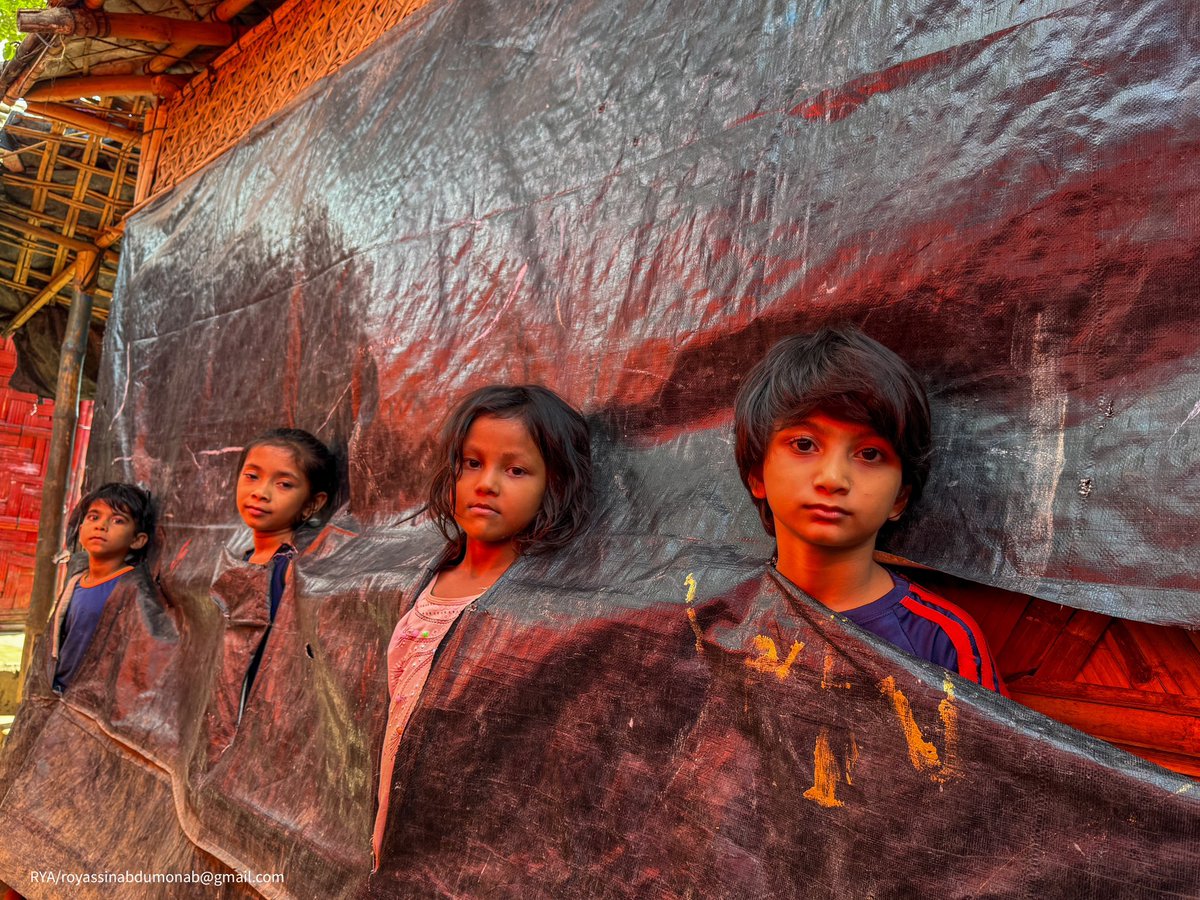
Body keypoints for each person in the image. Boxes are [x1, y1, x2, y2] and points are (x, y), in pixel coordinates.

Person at [372, 384, 593, 868]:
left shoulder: (544, 612)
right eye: (472, 463)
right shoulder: (425, 583)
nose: (486, 483)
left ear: (553, 486)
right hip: (392, 817)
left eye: (515, 470)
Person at [733, 325, 1005, 693]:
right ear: (756, 475)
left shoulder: (942, 642)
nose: (833, 478)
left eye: (870, 454)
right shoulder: (719, 617)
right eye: (804, 444)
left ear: (900, 497)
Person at [234, 428, 338, 714]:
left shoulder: (292, 570)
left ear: (312, 504)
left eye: (283, 484)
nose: (260, 493)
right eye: (252, 476)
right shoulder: (243, 559)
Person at [50, 482, 155, 693]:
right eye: (93, 517)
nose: (101, 525)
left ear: (137, 540)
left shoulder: (132, 588)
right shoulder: (75, 583)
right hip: (62, 692)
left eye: (118, 520)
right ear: (81, 531)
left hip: (98, 701)